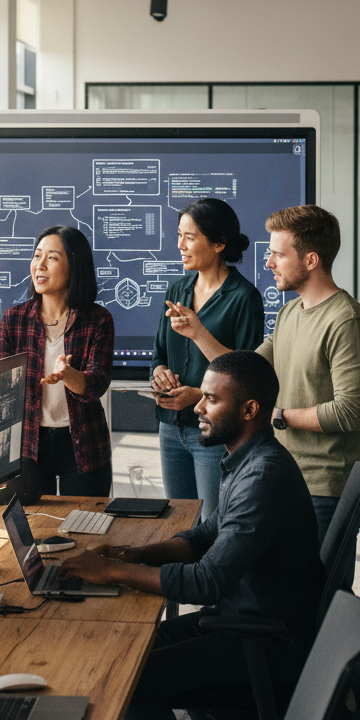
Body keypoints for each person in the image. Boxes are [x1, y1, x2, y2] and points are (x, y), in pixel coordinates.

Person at [60, 350, 323, 720]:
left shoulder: (262, 476)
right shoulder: (244, 458)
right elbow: (204, 537)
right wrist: (138, 556)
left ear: (249, 410)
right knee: (134, 649)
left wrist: (111, 574)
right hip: (244, 618)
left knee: (131, 679)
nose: (197, 407)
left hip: (266, 640)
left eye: (210, 399)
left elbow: (206, 581)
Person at [258, 204, 360, 720]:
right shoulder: (290, 314)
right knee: (292, 614)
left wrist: (279, 416)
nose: (269, 260)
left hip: (325, 487)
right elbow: (255, 369)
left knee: (325, 619)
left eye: (278, 251)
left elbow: (351, 410)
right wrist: (200, 390)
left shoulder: (345, 320)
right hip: (291, 482)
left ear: (310, 258)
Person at [151, 198, 264, 515]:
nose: (180, 245)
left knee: (212, 525)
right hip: (170, 428)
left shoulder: (244, 297)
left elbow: (245, 374)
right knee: (178, 521)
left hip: (213, 431)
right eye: (179, 235)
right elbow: (159, 352)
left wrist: (198, 394)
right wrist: (158, 371)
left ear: (218, 244)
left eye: (189, 237)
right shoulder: (177, 289)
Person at [0, 226, 114, 496]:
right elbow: (3, 389)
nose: (40, 265)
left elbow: (97, 382)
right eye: (37, 256)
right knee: (31, 528)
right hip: (27, 443)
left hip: (83, 443)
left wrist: (68, 375)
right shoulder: (14, 319)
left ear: (75, 266)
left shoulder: (98, 319)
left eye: (52, 258)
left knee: (84, 526)